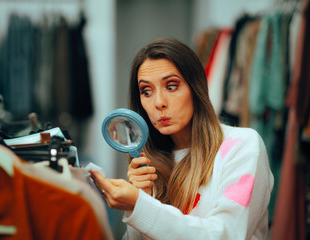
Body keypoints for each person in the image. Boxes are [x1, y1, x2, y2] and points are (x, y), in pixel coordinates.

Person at [90, 38, 274, 240]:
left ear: (195, 89)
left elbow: (226, 234)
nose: (159, 102)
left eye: (171, 86)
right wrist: (142, 195)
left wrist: (139, 205)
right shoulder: (149, 162)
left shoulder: (242, 146)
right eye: (147, 91)